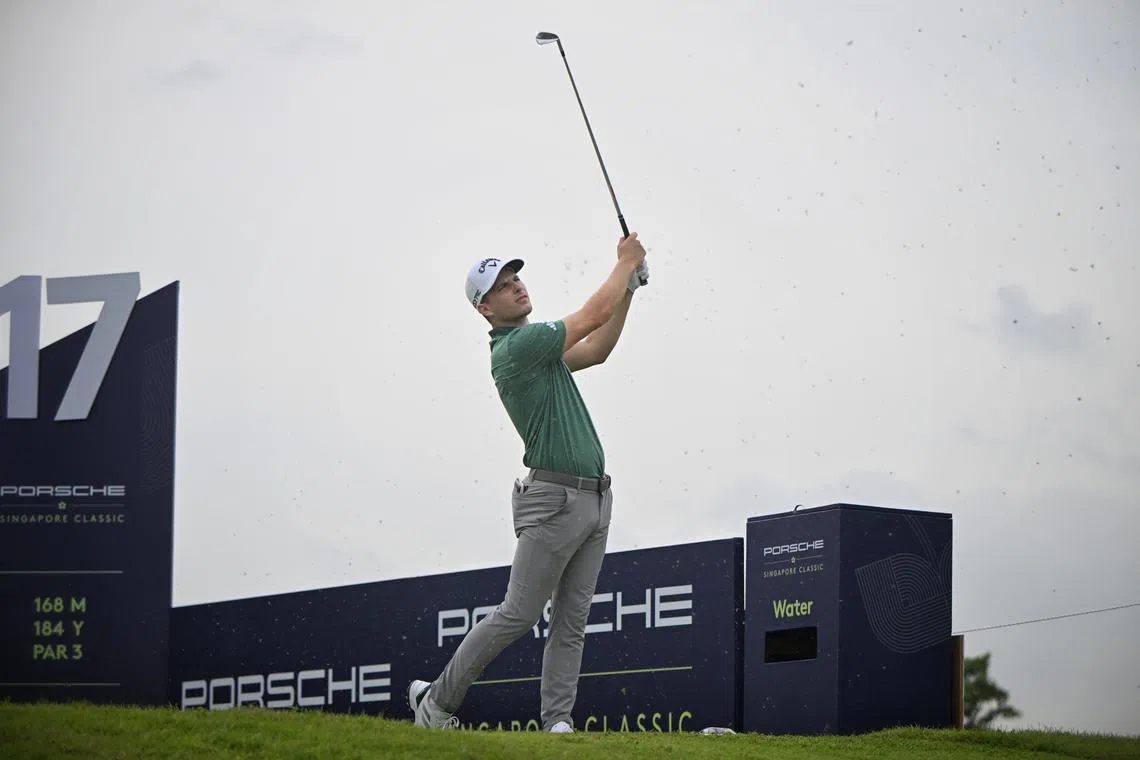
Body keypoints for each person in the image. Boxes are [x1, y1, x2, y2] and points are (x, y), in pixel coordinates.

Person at [407, 233, 650, 733]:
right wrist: (625, 265)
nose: (516, 287)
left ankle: (557, 724)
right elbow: (589, 318)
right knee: (518, 613)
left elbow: (599, 347)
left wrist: (629, 290)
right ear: (485, 308)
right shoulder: (518, 347)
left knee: (571, 621)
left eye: (516, 277)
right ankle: (435, 705)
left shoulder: (540, 353)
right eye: (502, 285)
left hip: (594, 499)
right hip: (553, 500)